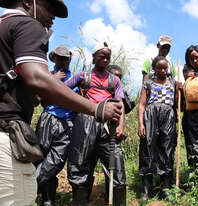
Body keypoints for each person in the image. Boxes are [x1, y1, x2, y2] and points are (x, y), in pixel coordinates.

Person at [0, 1, 122, 205]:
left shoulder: (4, 26)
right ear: (28, 2)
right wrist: (96, 108)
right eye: (49, 7)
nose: (53, 16)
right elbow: (38, 79)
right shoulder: (27, 25)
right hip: (7, 132)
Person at [64, 42, 127, 206]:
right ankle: (80, 202)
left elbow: (120, 104)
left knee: (116, 164)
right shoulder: (82, 76)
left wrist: (121, 126)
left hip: (107, 125)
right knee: (80, 163)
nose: (105, 60)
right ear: (94, 57)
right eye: (102, 57)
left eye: (108, 58)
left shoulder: (115, 80)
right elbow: (63, 90)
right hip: (85, 122)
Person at [34, 45, 78, 206]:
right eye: (60, 58)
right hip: (48, 119)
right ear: (54, 59)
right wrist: (53, 81)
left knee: (56, 161)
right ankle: (47, 199)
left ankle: (29, 188)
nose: (63, 61)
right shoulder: (48, 75)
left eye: (66, 58)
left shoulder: (75, 78)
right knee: (41, 158)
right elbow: (40, 100)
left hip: (67, 123)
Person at [138, 56, 178, 200]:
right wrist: (141, 124)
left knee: (166, 148)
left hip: (168, 116)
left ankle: (165, 188)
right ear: (153, 69)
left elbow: (177, 104)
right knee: (147, 147)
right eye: (159, 68)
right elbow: (142, 104)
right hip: (150, 115)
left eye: (165, 68)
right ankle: (146, 190)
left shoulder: (174, 83)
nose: (163, 70)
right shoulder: (148, 83)